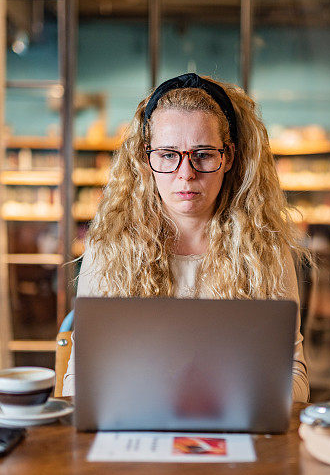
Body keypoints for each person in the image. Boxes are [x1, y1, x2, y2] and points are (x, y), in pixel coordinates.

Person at [63, 73, 310, 402]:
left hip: (233, 426)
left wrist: (241, 399)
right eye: (168, 155)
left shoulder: (264, 251)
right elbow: (79, 377)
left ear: (229, 158)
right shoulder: (109, 249)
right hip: (135, 426)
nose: (185, 174)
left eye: (203, 154)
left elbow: (294, 374)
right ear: (145, 158)